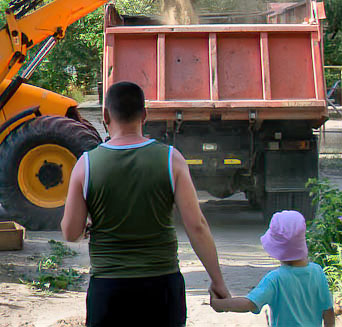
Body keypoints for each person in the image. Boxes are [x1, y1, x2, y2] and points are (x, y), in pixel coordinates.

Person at [61, 81, 230, 327]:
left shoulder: (86, 165)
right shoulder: (172, 159)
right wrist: (217, 281)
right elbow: (197, 226)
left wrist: (87, 225)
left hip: (109, 288)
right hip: (162, 286)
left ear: (106, 115)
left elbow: (70, 232)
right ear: (145, 115)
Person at [209, 210, 336, 327]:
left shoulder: (275, 279)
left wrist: (219, 304)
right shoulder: (317, 272)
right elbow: (328, 310)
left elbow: (250, 303)